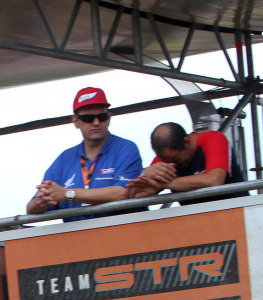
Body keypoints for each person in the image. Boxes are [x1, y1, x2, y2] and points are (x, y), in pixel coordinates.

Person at [26, 87, 144, 221]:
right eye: (88, 118)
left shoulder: (126, 148)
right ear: (75, 122)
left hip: (122, 231)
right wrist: (41, 200)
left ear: (109, 118)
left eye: (102, 117)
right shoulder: (65, 158)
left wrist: (68, 194)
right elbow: (30, 209)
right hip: (78, 234)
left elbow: (121, 194)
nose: (96, 122)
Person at [128, 122, 249, 204]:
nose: (172, 164)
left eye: (176, 160)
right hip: (196, 223)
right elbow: (135, 196)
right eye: (166, 161)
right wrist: (145, 174)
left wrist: (165, 184)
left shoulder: (213, 138)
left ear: (187, 141)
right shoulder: (165, 158)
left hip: (236, 214)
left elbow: (214, 180)